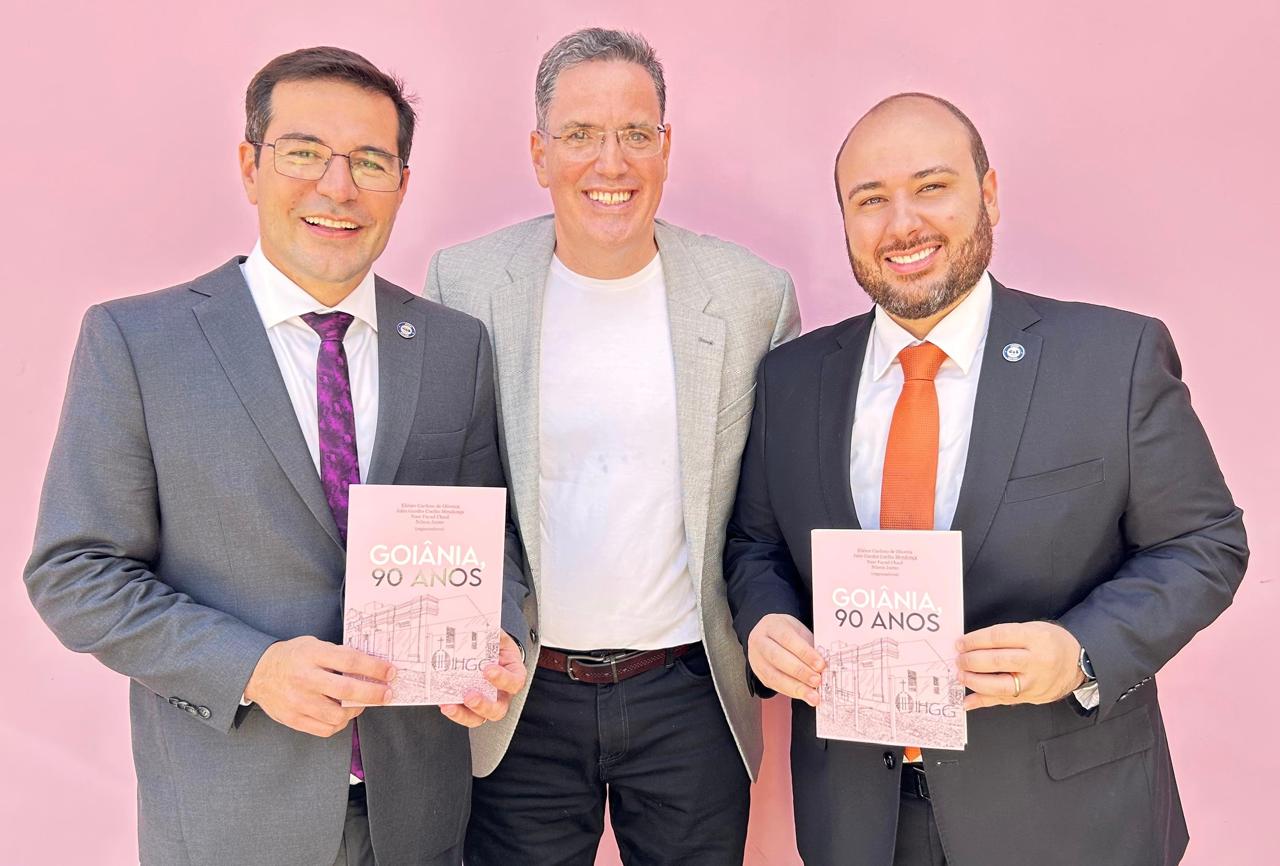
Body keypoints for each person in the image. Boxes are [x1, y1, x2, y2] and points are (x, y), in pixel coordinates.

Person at [25, 46, 529, 866]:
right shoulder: (139, 342)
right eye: (304, 153)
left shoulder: (452, 346)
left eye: (370, 161)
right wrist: (253, 668)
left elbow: (491, 534)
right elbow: (74, 572)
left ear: (402, 183)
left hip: (418, 817)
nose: (338, 186)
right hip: (232, 818)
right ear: (249, 166)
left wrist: (496, 637)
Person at [723, 92, 1247, 865]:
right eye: (870, 199)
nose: (903, 223)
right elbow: (755, 545)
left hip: (1069, 819)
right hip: (859, 823)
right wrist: (765, 622)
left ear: (989, 194)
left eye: (932, 186)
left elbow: (1204, 543)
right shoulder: (791, 379)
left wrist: (1081, 651)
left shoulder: (1113, 359)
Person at [426, 27, 799, 865]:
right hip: (521, 694)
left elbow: (767, 513)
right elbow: (452, 495)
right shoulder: (465, 285)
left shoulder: (754, 297)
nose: (611, 162)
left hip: (690, 695)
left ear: (666, 147)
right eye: (581, 134)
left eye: (635, 134)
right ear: (539, 153)